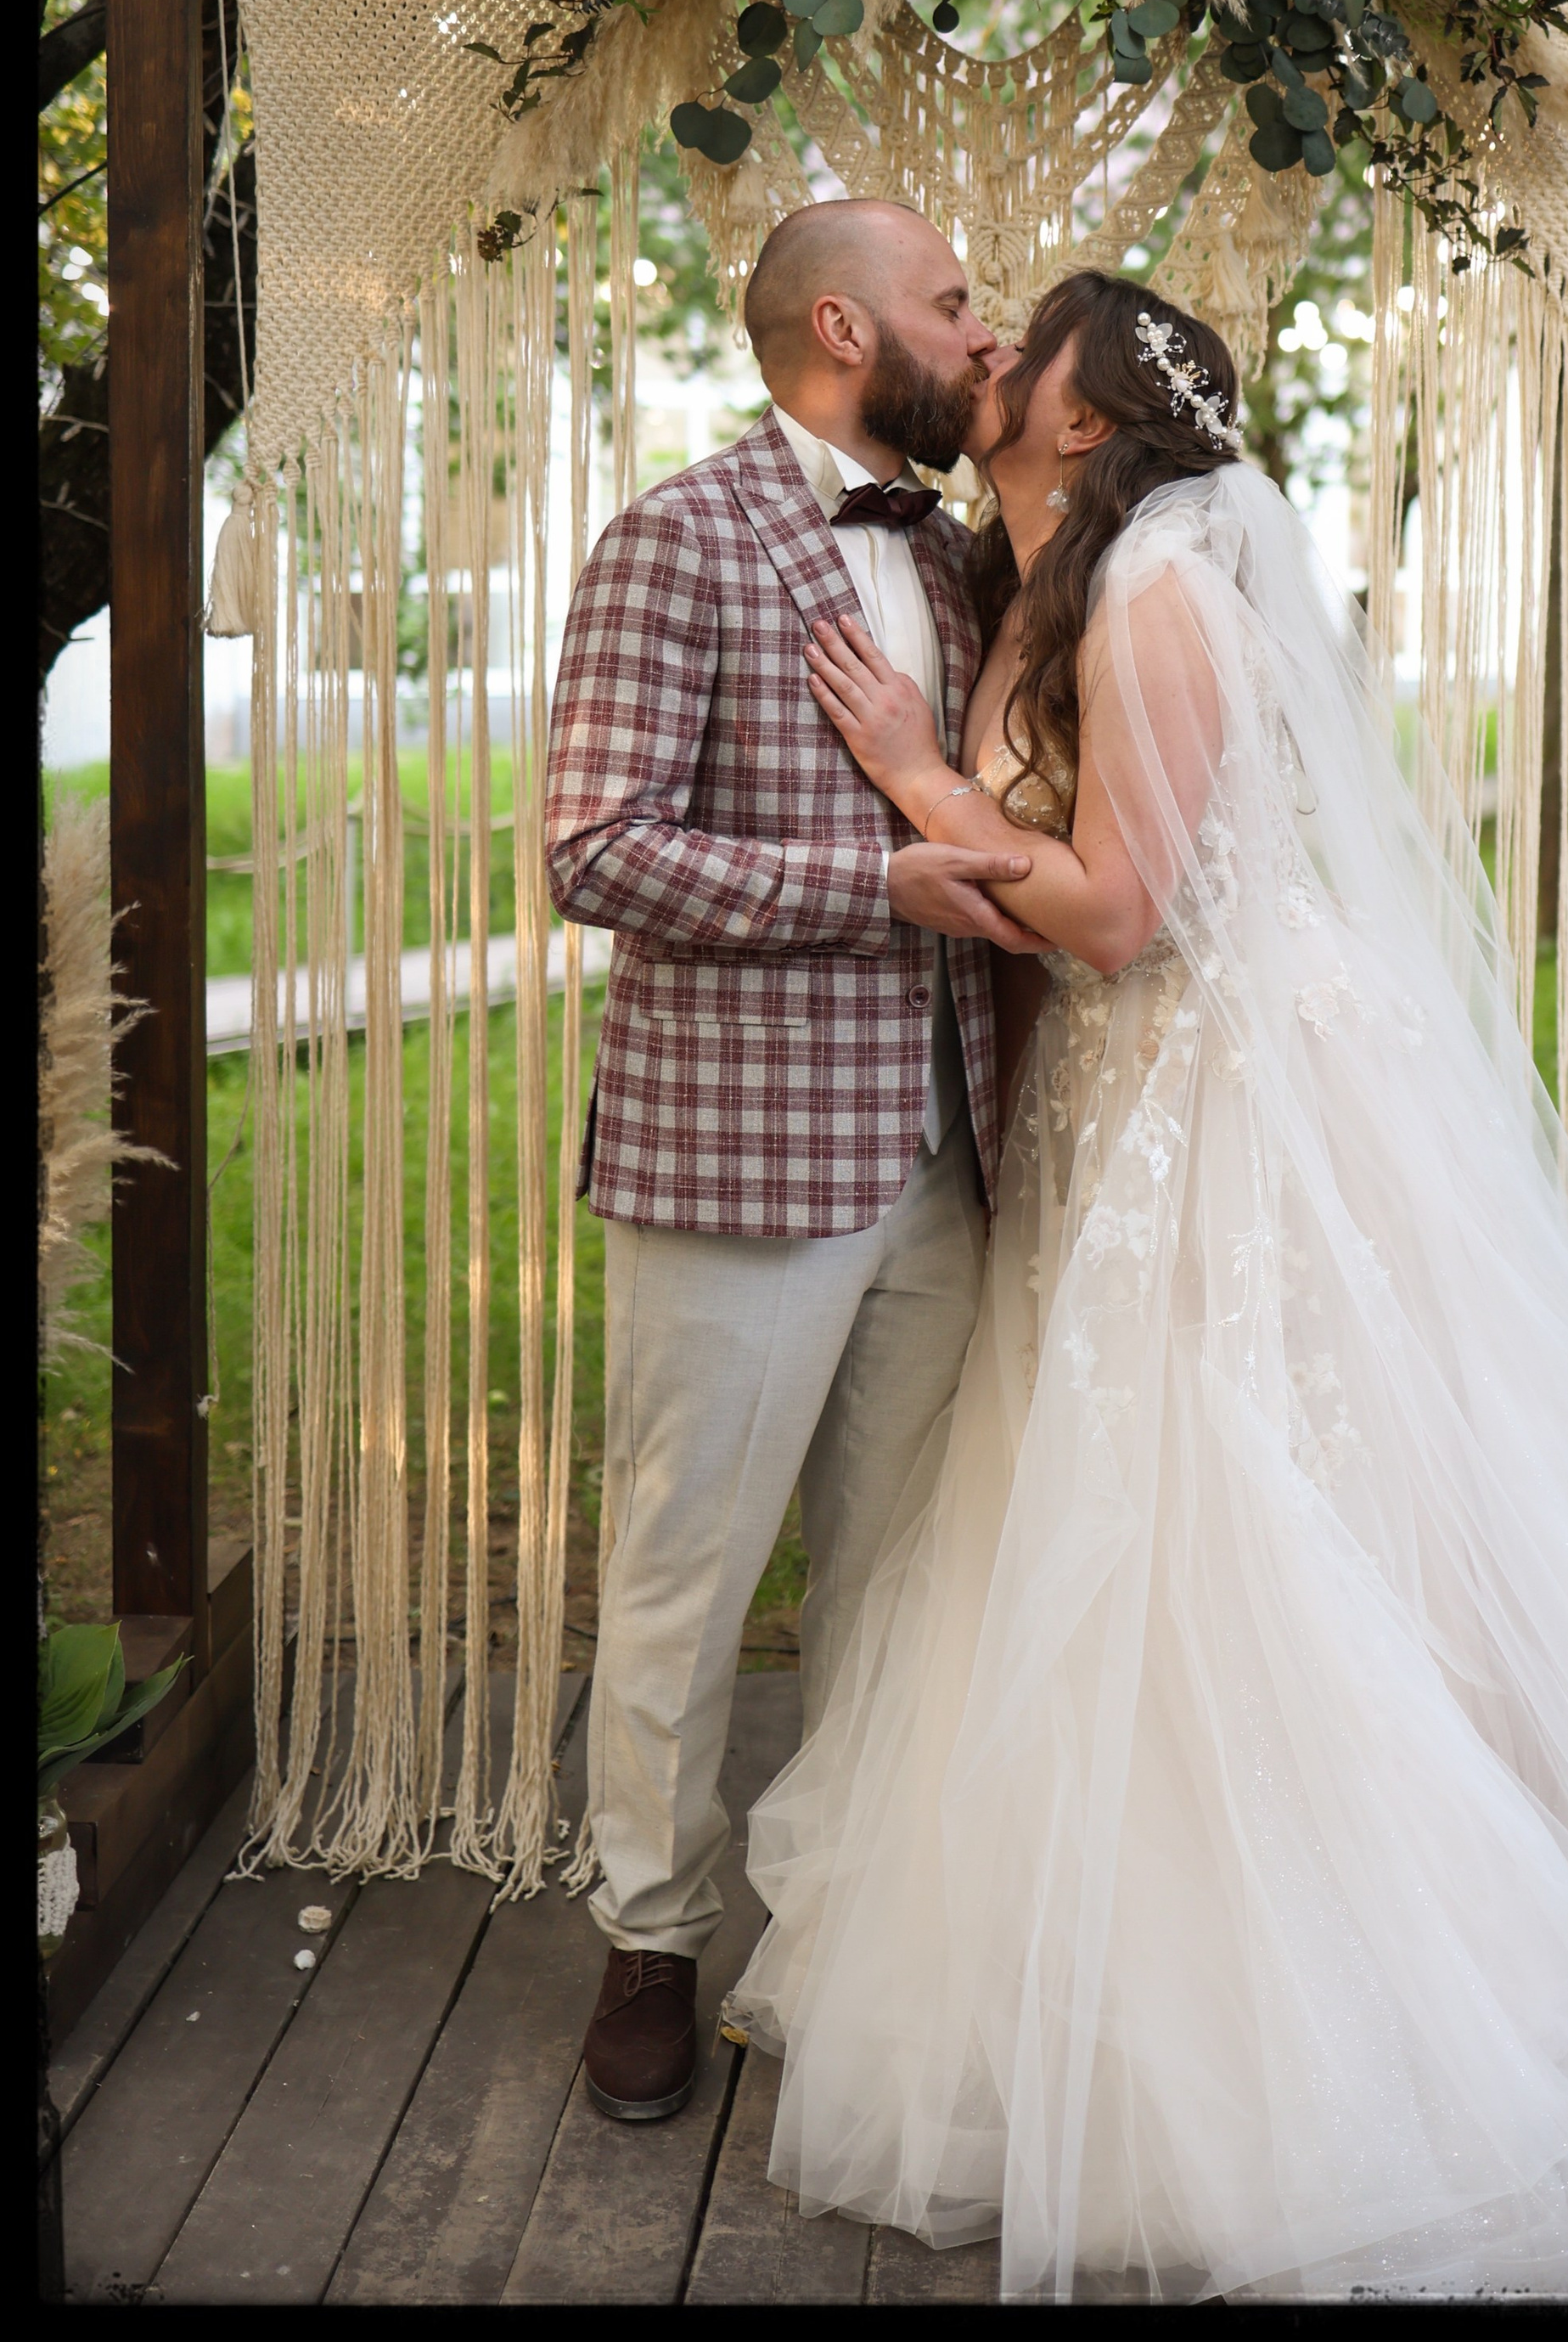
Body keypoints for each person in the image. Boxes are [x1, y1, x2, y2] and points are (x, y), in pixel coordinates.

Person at [727, 267, 1568, 2305]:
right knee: (1123, 1535)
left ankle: (1381, 2019)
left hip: (1220, 1109)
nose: (980, 351)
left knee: (1259, 1527)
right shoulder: (1040, 572)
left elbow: (1120, 913)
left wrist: (911, 773)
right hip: (1108, 1120)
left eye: (1016, 336)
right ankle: (1119, 1975)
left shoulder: (1152, 595)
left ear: (1082, 416)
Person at [543, 196, 1047, 2125]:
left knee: (891, 1579)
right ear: (843, 326)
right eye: (948, 298)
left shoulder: (967, 554)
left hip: (950, 1148)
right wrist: (872, 882)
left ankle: (840, 1933)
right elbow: (597, 843)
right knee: (685, 1572)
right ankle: (649, 1941)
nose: (975, 328)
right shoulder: (678, 535)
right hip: (740, 1162)